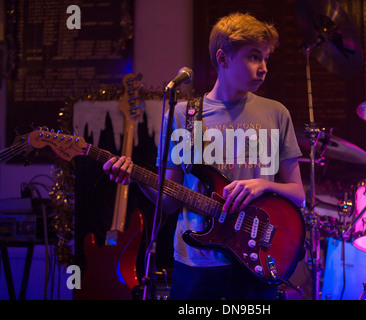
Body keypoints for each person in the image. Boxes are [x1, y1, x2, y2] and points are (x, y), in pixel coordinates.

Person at [103, 12, 305, 300]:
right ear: (223, 59)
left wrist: (265, 185)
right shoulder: (183, 115)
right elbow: (169, 201)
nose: (264, 68)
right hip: (196, 261)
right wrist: (133, 177)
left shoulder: (276, 113)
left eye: (266, 59)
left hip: (255, 259)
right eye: (253, 57)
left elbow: (298, 194)